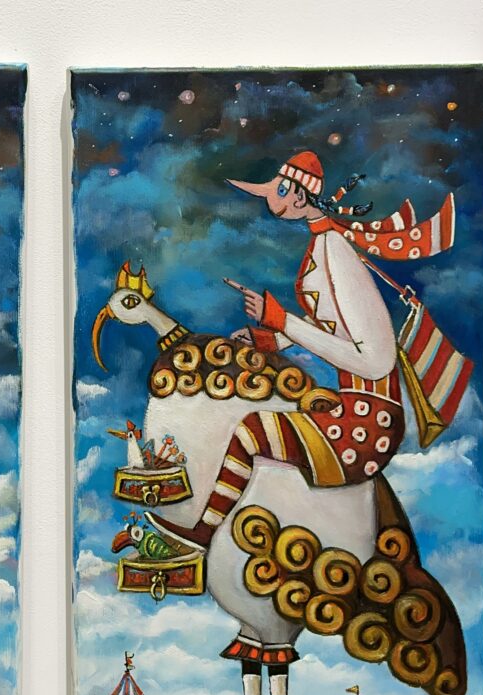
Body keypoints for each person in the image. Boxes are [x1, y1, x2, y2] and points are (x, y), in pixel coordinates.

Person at [146, 151, 405, 552]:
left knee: (251, 432)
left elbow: (376, 361)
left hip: (367, 422)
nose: (269, 200)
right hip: (353, 406)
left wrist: (282, 320)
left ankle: (204, 533)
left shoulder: (334, 251)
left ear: (297, 195)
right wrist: (270, 338)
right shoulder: (323, 245)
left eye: (276, 191)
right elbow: (329, 325)